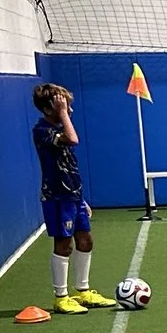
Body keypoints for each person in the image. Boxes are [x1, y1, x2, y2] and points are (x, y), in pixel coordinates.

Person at [32, 82, 113, 313]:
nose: (70, 111)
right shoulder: (43, 131)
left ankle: (83, 290)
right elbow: (73, 138)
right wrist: (63, 114)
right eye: (65, 107)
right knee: (64, 244)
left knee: (86, 241)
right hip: (57, 198)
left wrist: (81, 198)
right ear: (49, 109)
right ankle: (61, 296)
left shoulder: (58, 128)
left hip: (72, 196)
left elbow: (68, 166)